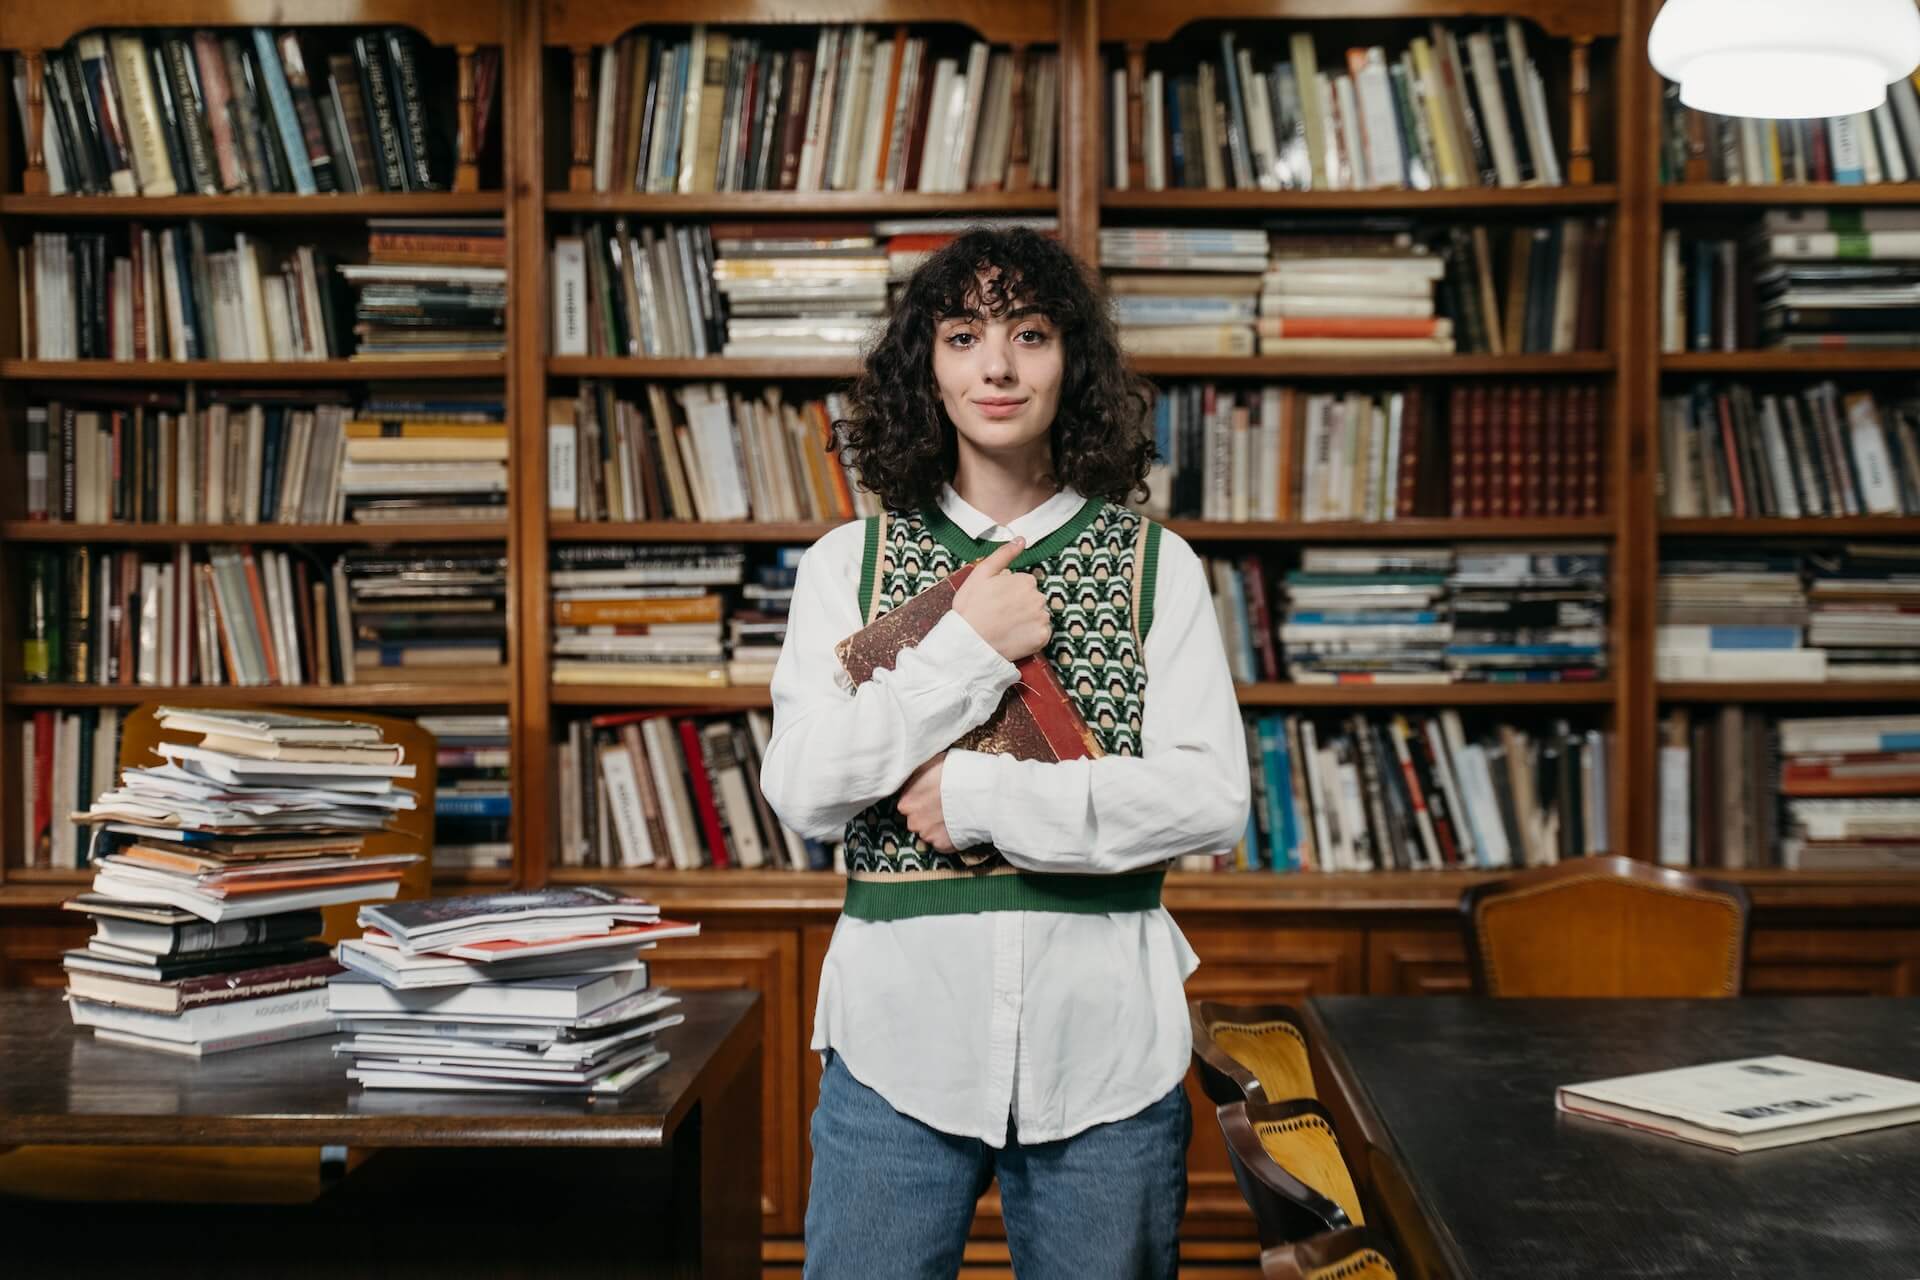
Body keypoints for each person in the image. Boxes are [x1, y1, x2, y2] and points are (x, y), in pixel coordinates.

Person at [758, 226, 1250, 1279]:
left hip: (1108, 1051)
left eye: (1030, 333)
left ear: (1071, 362)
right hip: (895, 1044)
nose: (996, 365)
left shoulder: (1156, 563)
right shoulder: (849, 564)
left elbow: (1210, 799)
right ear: (925, 368)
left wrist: (978, 794)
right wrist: (967, 653)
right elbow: (802, 789)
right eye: (964, 333)